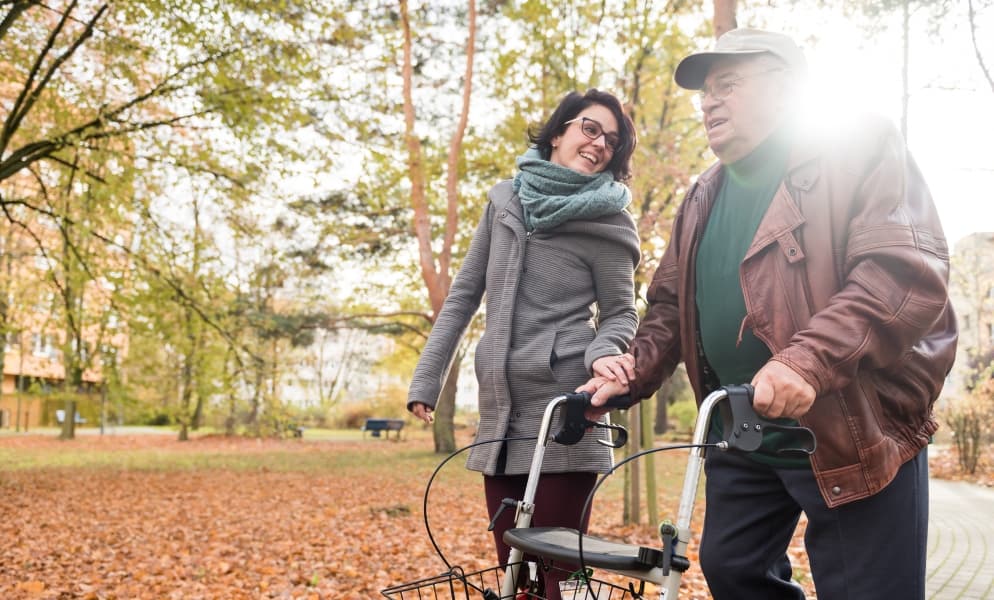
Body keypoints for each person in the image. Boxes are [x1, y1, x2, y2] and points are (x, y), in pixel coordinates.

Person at [582, 28, 957, 600]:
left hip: (852, 427)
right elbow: (668, 306)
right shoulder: (702, 194)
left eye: (727, 85)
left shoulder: (857, 145)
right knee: (732, 569)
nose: (708, 102)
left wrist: (807, 361)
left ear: (784, 90)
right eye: (704, 93)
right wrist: (632, 369)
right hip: (746, 431)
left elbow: (901, 272)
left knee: (869, 589)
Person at [407, 89, 641, 598]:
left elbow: (621, 311)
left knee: (564, 580)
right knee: (514, 577)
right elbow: (463, 296)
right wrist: (428, 378)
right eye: (590, 128)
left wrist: (604, 356)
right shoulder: (504, 201)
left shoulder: (609, 221)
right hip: (501, 417)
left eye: (612, 141)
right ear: (559, 133)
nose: (600, 143)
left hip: (567, 413)